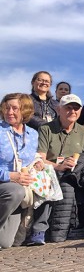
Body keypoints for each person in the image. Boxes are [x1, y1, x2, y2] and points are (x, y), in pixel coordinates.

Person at [27, 94, 84, 245]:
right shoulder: (46, 129)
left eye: (76, 108)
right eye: (68, 108)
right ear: (59, 109)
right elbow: (40, 159)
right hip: (50, 171)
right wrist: (58, 166)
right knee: (52, 183)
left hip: (73, 175)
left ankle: (73, 227)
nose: (72, 111)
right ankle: (42, 230)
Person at [0, 94, 37, 249]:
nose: (9, 112)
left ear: (25, 111)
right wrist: (9, 176)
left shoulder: (33, 135)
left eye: (15, 108)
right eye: (6, 108)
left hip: (17, 196)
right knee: (15, 191)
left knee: (5, 244)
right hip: (7, 187)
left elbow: (32, 158)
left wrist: (38, 163)